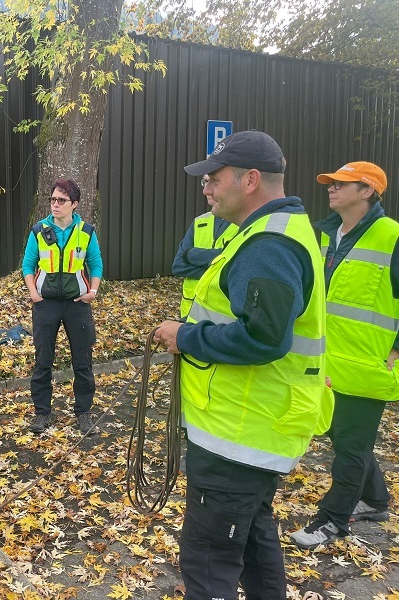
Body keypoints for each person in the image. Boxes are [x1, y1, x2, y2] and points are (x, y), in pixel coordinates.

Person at [154, 131, 332, 599]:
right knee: (253, 540)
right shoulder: (268, 233)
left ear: (250, 179)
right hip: (249, 430)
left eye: (212, 179)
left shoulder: (269, 246)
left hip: (240, 434)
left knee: (209, 558)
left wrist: (185, 336)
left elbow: (263, 337)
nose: (206, 188)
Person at [289, 162, 397, 549]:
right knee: (344, 439)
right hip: (324, 362)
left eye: (341, 184)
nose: (331, 189)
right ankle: (376, 500)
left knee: (350, 449)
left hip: (367, 364)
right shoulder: (322, 235)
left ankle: (333, 521)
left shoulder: (392, 237)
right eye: (330, 184)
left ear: (367, 191)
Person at [22, 178, 103, 435]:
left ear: (74, 204)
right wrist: (34, 294)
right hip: (45, 304)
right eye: (53, 199)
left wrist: (92, 292)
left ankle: (84, 414)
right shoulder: (39, 230)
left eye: (61, 200)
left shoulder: (86, 232)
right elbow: (27, 265)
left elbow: (96, 264)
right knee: (43, 360)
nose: (55, 204)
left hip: (77, 304)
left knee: (82, 361)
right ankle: (42, 414)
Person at [172, 195, 238, 318]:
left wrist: (191, 254)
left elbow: (236, 263)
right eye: (205, 181)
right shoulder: (200, 222)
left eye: (214, 181)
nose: (206, 190)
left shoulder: (242, 224)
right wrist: (218, 264)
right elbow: (178, 266)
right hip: (189, 313)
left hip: (222, 316)